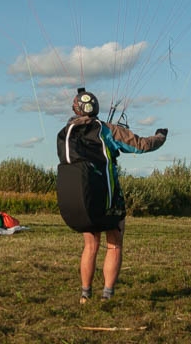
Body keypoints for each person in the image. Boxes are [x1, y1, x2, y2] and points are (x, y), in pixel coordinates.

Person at [56, 88, 167, 304]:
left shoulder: (65, 133)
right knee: (114, 243)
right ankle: (107, 295)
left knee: (90, 245)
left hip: (82, 199)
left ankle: (85, 294)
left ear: (75, 109)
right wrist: (160, 136)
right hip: (108, 198)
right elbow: (141, 146)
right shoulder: (106, 130)